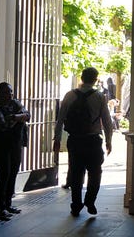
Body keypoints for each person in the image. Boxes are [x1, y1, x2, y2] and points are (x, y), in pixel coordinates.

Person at [53, 67, 113, 217]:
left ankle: (76, 204)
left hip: (75, 140)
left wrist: (57, 139)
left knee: (76, 172)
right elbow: (106, 121)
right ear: (95, 79)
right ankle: (90, 200)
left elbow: (60, 119)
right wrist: (109, 141)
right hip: (92, 140)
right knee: (95, 172)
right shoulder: (99, 97)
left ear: (82, 77)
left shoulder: (69, 95)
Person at [0, 82, 31, 221]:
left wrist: (13, 117)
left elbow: (28, 115)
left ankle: (8, 205)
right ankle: (1, 209)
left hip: (14, 145)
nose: (10, 94)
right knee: (3, 175)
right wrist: (19, 118)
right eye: (6, 92)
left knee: (12, 174)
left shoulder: (15, 103)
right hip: (0, 146)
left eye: (11, 91)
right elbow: (2, 126)